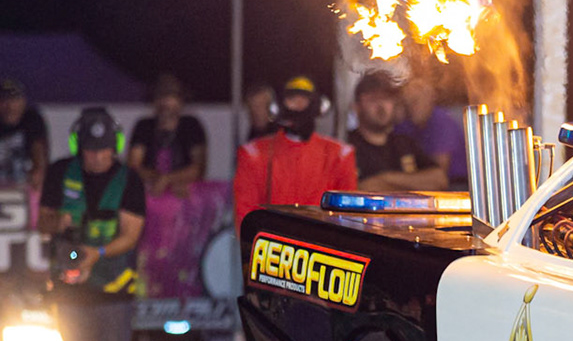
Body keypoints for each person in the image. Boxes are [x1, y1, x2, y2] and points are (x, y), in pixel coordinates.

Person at [37, 108, 145, 341]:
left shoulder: (129, 180)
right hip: (70, 293)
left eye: (103, 150)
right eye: (89, 149)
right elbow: (42, 222)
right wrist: (58, 222)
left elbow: (131, 234)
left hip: (114, 292)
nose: (96, 157)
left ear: (115, 146)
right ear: (77, 145)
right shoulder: (59, 172)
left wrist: (95, 254)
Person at [233, 75, 356, 228]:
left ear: (318, 107)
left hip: (321, 241)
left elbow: (347, 218)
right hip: (272, 241)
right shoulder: (253, 154)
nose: (298, 106)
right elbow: (245, 217)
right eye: (292, 100)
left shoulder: (340, 154)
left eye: (304, 100)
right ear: (278, 107)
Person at [348, 70, 446, 192]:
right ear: (356, 107)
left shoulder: (404, 143)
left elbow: (439, 180)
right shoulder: (347, 146)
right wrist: (410, 184)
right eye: (373, 99)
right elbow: (358, 188)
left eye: (386, 98)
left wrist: (384, 179)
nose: (381, 105)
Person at [128, 73, 209, 196]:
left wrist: (168, 179)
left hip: (183, 191)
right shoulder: (143, 126)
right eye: (160, 97)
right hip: (151, 190)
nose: (164, 102)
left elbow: (198, 168)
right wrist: (157, 178)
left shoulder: (191, 125)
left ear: (180, 101)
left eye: (170, 97)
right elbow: (134, 166)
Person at [395, 68, 467, 187]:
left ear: (430, 98)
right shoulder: (405, 124)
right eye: (408, 103)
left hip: (456, 185)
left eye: (416, 101)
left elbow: (439, 171)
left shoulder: (441, 122)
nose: (412, 108)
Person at [0, 78, 49, 192]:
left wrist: (38, 171)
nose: (10, 106)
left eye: (14, 100)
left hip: (22, 186)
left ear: (23, 101)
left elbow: (39, 152)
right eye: (4, 100)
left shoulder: (32, 119)